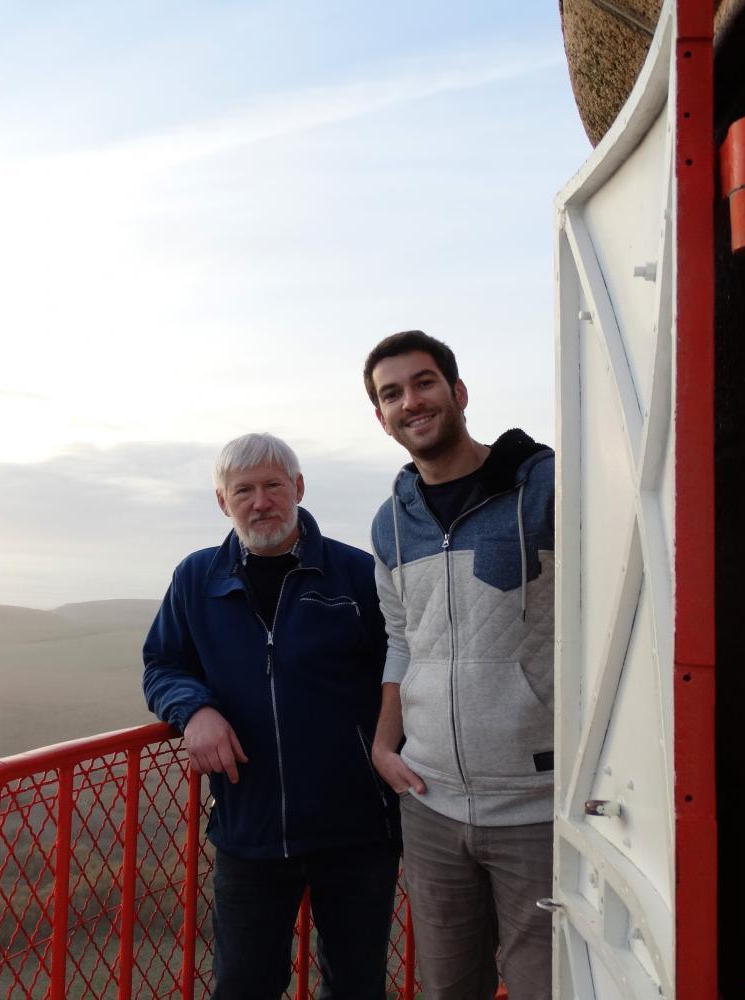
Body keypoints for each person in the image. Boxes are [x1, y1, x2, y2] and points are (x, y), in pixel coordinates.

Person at [143, 432, 401, 1000]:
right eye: (244, 490)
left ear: (299, 488)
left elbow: (401, 672)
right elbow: (162, 663)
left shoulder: (356, 574)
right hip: (249, 827)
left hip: (356, 828)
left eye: (273, 486)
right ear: (222, 501)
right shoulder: (196, 579)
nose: (260, 502)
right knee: (244, 986)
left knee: (357, 986)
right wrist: (195, 711)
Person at [363, 330, 555, 1000]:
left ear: (458, 391)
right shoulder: (391, 524)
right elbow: (401, 638)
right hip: (430, 803)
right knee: (448, 990)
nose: (410, 401)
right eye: (392, 394)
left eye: (424, 382)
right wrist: (385, 744)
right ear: (381, 418)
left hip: (538, 806)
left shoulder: (541, 490)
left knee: (547, 989)